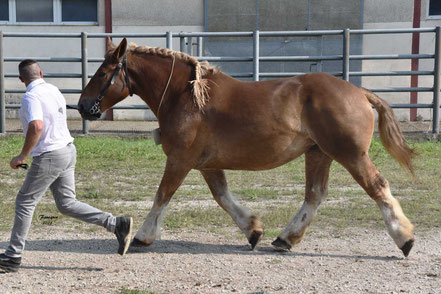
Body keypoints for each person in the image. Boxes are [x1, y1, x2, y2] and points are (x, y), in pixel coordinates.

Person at [0, 60, 132, 273]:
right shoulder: (53, 89)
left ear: (21, 80)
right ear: (41, 73)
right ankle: (117, 224)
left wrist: (22, 156)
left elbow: (36, 125)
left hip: (50, 155)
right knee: (66, 203)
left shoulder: (30, 96)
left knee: (25, 201)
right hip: (68, 150)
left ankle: (13, 255)